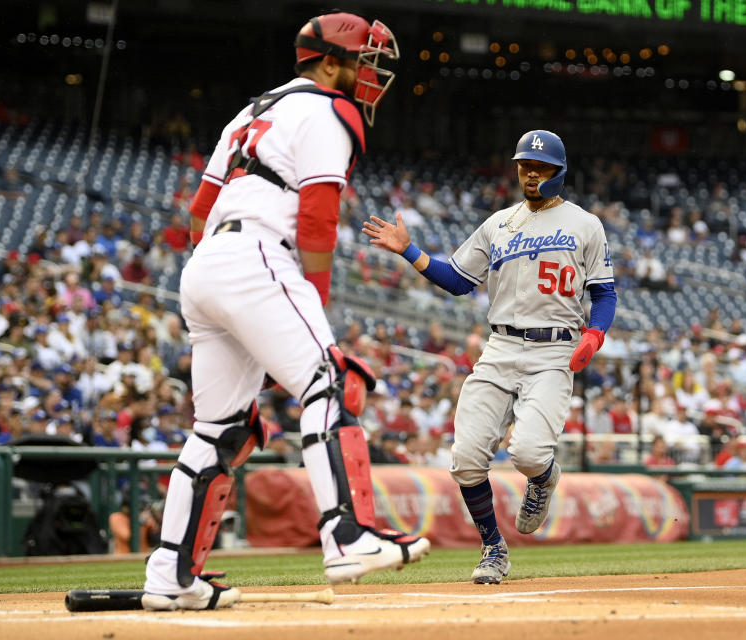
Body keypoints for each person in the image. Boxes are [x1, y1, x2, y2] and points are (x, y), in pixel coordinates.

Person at [142, 12, 427, 612]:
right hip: (259, 255)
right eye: (363, 62)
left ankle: (171, 576)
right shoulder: (329, 109)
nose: (370, 77)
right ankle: (348, 534)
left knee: (220, 429)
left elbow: (199, 212)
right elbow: (318, 216)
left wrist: (240, 306)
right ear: (330, 63)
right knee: (332, 380)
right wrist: (307, 301)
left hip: (208, 264)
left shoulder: (249, 112)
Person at [363, 129, 617, 584]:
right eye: (525, 166)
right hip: (500, 346)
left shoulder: (585, 225)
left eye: (541, 167)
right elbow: (460, 280)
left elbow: (604, 293)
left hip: (554, 349)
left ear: (559, 172)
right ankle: (493, 550)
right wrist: (409, 251)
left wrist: (595, 335)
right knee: (464, 458)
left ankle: (543, 478)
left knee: (529, 452)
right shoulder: (498, 223)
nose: (532, 173)